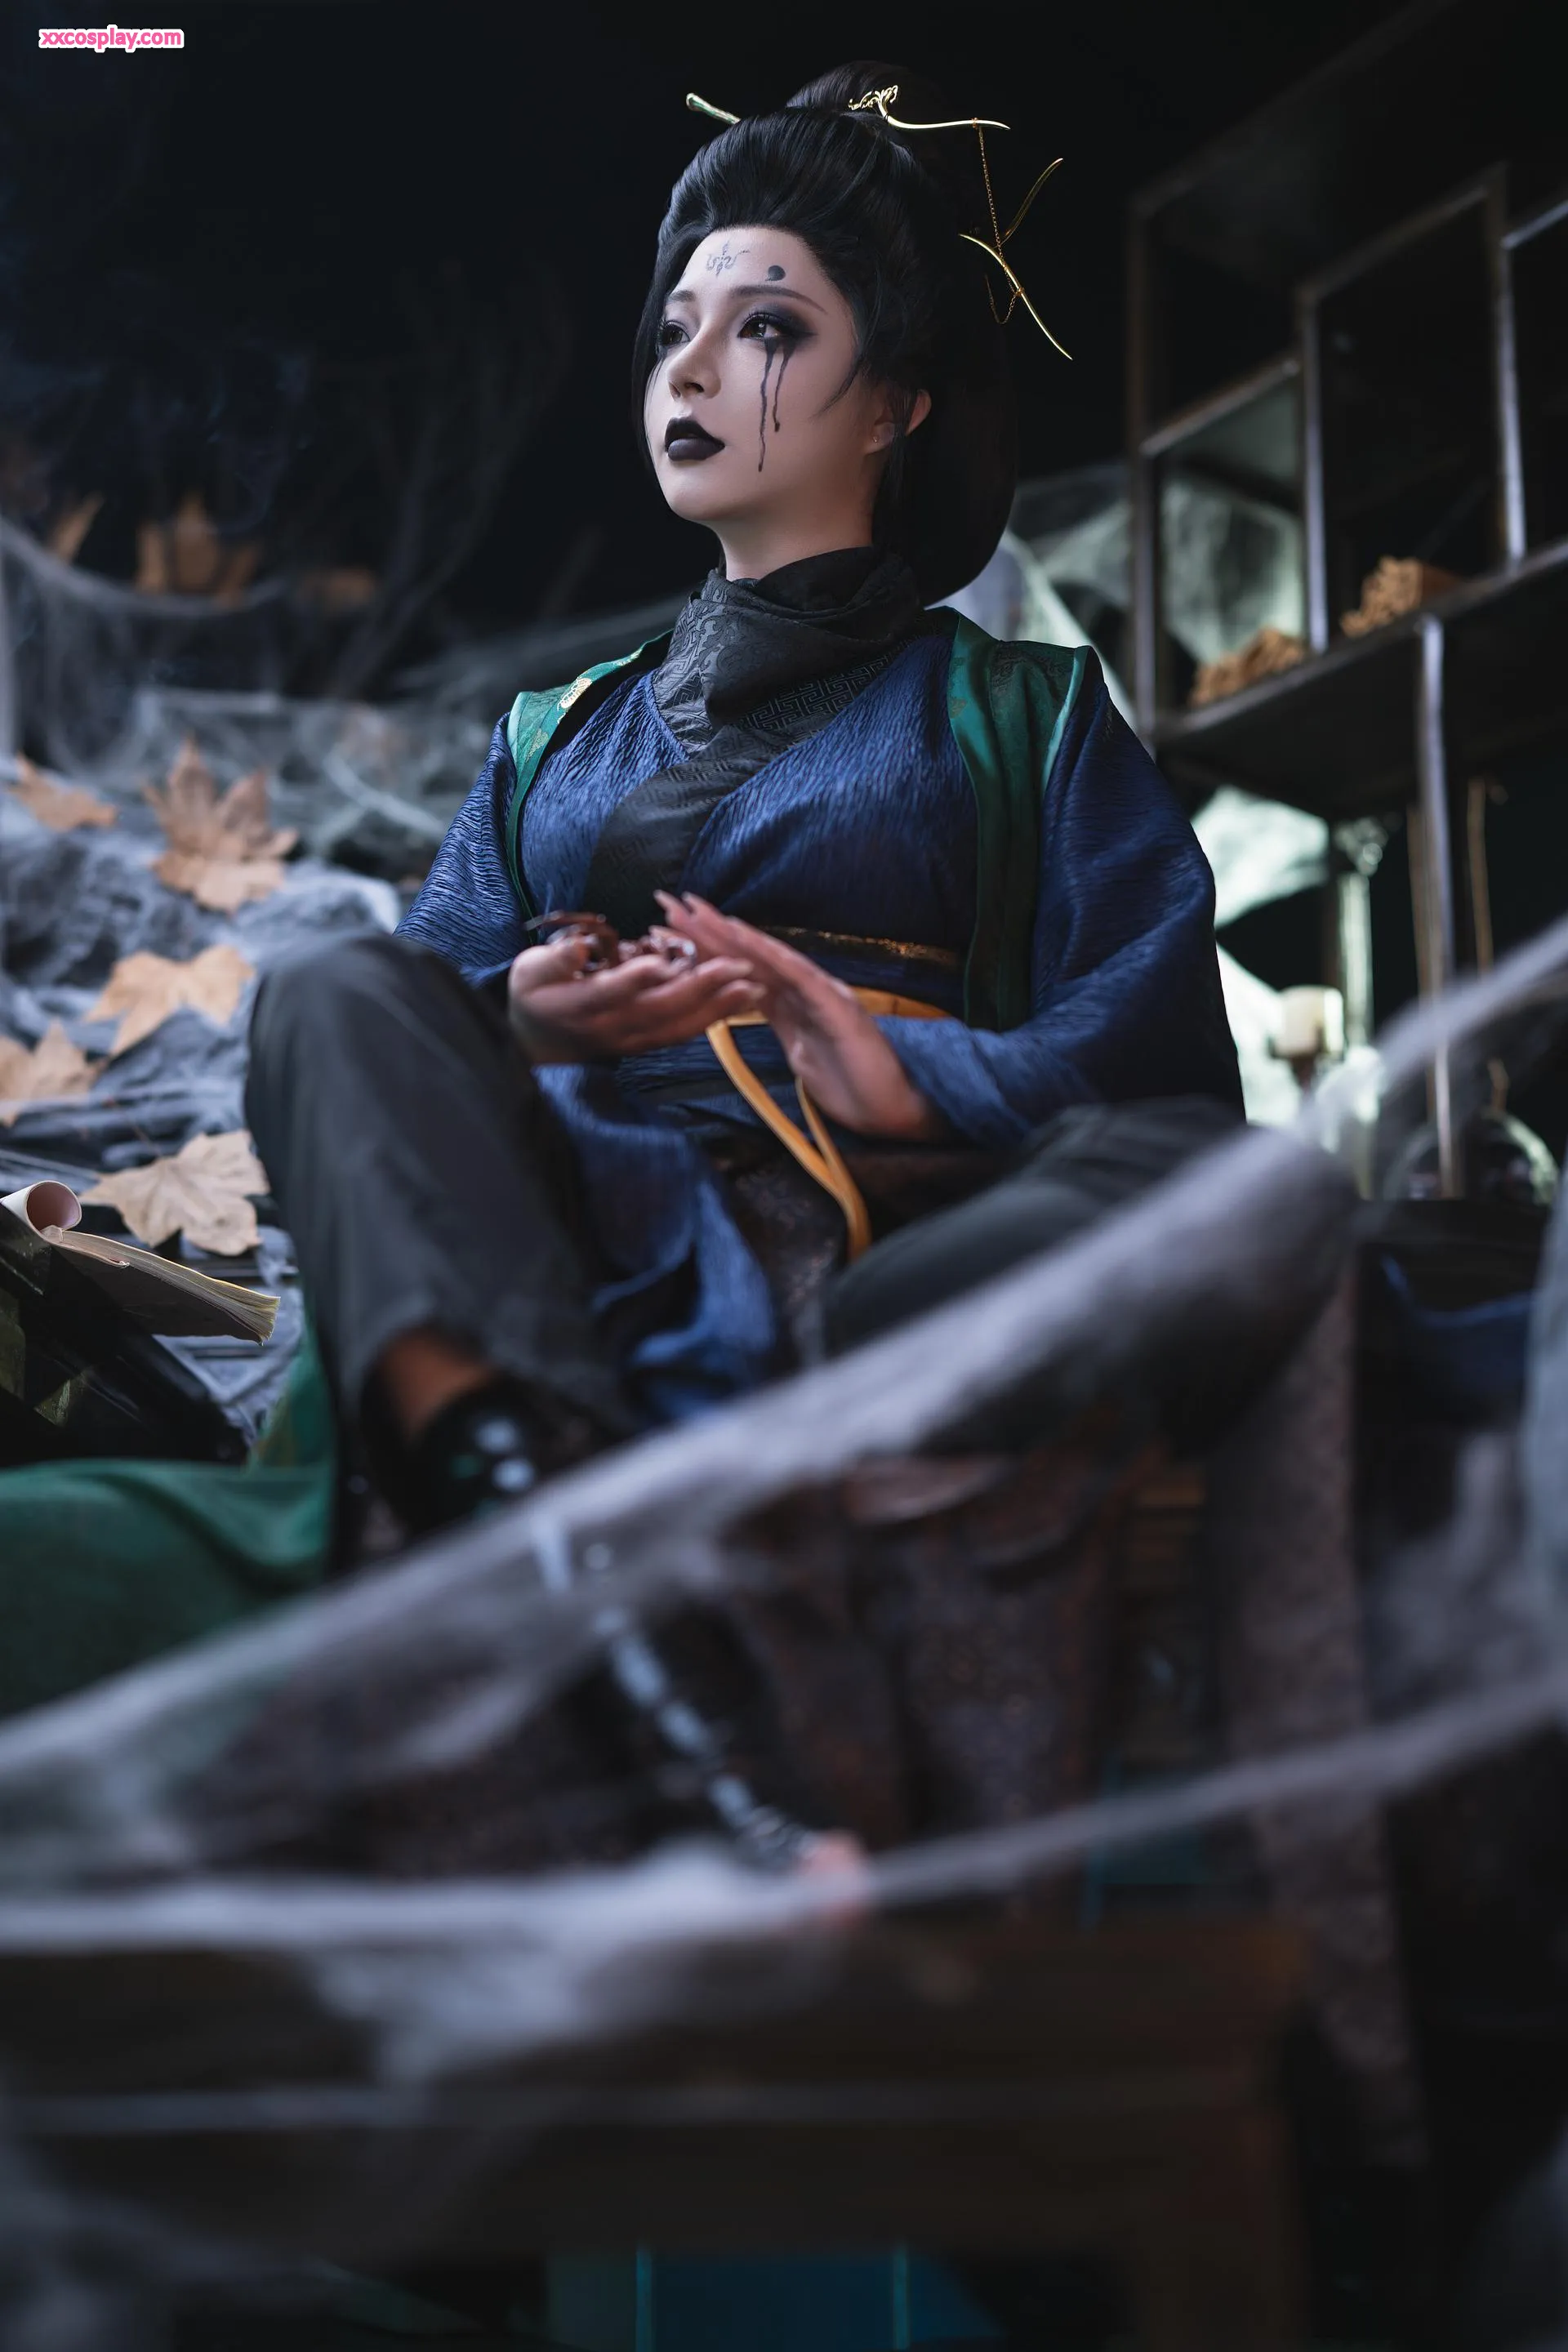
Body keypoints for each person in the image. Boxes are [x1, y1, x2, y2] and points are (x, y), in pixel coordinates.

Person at [246, 61, 1245, 1560]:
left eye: (767, 328)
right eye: (675, 332)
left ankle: (702, 1427)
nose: (692, 371)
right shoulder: (550, 733)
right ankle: (509, 1457)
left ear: (898, 404)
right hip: (555, 1221)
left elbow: (1154, 1048)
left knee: (1234, 1185)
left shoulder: (1023, 712)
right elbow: (414, 1014)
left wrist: (916, 1081)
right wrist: (519, 1022)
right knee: (325, 988)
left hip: (886, 1223)